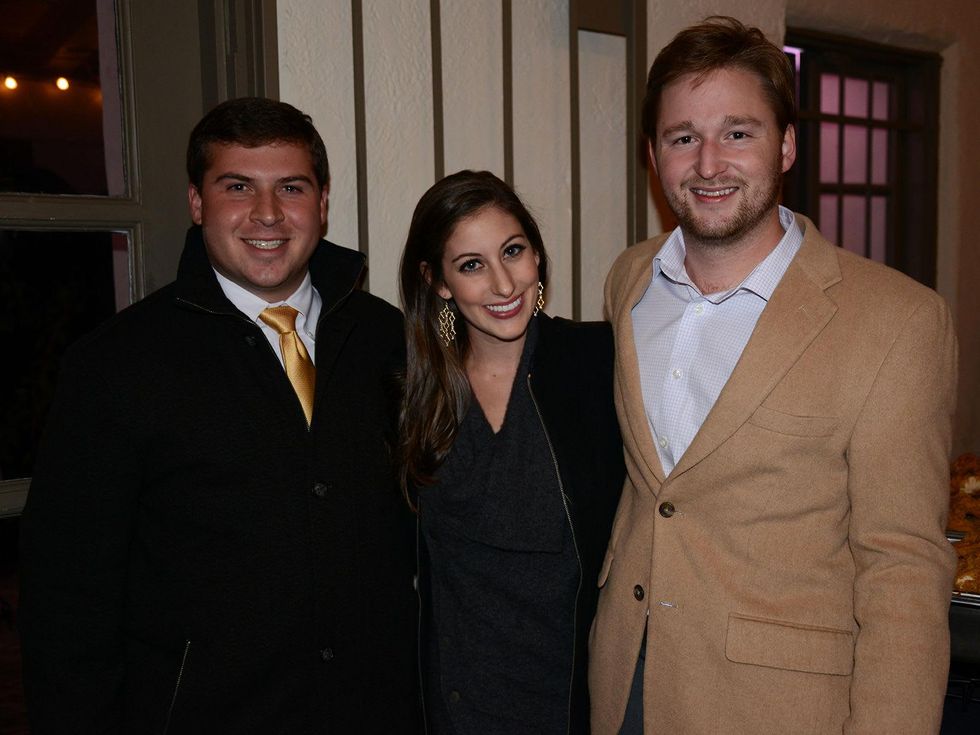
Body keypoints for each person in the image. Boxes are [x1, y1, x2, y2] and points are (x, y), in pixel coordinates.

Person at [589, 16, 958, 735]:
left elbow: (903, 573)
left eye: (738, 132)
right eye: (682, 137)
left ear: (786, 144)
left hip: (780, 709)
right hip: (624, 682)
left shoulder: (899, 322)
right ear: (653, 154)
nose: (708, 163)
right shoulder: (630, 279)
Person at [19, 97, 419, 733]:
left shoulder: (387, 339)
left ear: (321, 202)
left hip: (378, 710)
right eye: (238, 186)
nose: (267, 213)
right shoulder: (116, 367)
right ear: (198, 202)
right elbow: (67, 600)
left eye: (290, 187)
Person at [398, 170, 625, 734]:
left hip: (573, 700)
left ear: (537, 258)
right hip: (455, 705)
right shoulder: (414, 393)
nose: (503, 284)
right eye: (471, 265)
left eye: (513, 252)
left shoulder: (601, 363)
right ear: (439, 282)